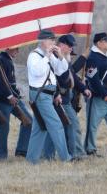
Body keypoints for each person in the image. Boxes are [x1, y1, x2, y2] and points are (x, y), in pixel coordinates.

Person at [25, 29, 71, 164]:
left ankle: (31, 160)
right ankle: (65, 158)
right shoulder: (33, 56)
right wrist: (46, 56)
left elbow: (61, 70)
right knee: (56, 125)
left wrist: (60, 56)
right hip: (40, 94)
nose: (54, 42)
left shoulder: (49, 55)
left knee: (40, 128)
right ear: (43, 41)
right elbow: (37, 72)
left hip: (48, 95)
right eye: (51, 40)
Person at [43, 34, 92, 159]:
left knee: (58, 128)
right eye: (69, 45)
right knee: (72, 125)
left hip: (64, 99)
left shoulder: (63, 58)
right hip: (60, 99)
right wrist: (57, 94)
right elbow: (52, 80)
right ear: (61, 45)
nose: (71, 48)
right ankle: (76, 153)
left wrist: (84, 88)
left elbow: (73, 76)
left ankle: (49, 155)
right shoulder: (54, 59)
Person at [0, 47, 33, 159]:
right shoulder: (1, 60)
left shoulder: (7, 59)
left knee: (28, 121)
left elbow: (9, 82)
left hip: (14, 99)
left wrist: (15, 92)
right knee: (4, 127)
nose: (18, 51)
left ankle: (22, 150)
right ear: (7, 48)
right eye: (15, 49)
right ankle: (1, 156)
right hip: (4, 100)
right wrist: (10, 96)